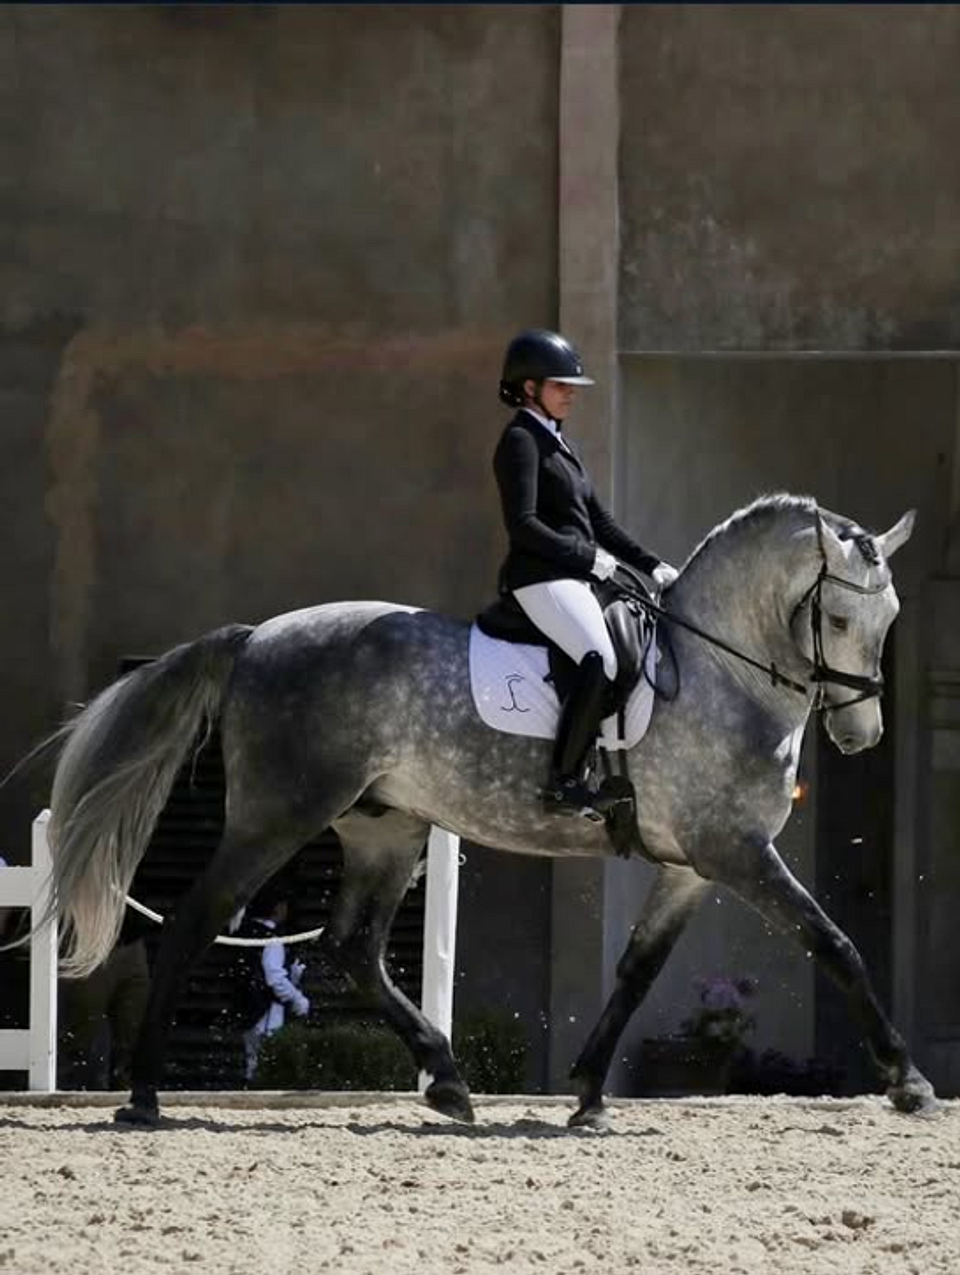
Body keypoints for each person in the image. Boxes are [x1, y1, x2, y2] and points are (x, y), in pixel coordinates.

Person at [494, 328, 678, 820]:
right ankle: (564, 783)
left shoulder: (561, 444)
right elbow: (523, 525)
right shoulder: (520, 441)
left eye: (572, 385)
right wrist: (586, 557)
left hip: (574, 577)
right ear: (529, 387)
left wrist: (652, 565)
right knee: (599, 656)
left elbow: (601, 524)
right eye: (560, 385)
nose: (570, 393)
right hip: (540, 578)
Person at [231, 888, 310, 1084]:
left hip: (247, 1008)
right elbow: (274, 978)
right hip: (266, 1011)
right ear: (277, 907)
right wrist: (298, 999)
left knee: (252, 1063)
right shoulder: (272, 939)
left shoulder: (244, 932)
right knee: (266, 1065)